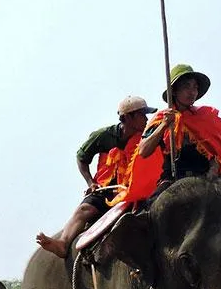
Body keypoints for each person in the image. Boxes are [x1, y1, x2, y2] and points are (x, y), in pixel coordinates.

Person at [36, 95, 156, 258]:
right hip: (106, 189)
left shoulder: (146, 137)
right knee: (84, 209)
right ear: (127, 117)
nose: (145, 118)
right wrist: (90, 182)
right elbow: (81, 157)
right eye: (142, 114)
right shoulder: (104, 136)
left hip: (132, 191)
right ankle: (63, 243)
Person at [123, 64, 221, 204]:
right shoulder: (161, 118)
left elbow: (218, 156)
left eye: (195, 87)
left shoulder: (207, 118)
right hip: (172, 180)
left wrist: (212, 173)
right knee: (147, 212)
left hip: (206, 178)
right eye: (186, 86)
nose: (192, 92)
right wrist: (164, 125)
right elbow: (143, 151)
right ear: (174, 91)